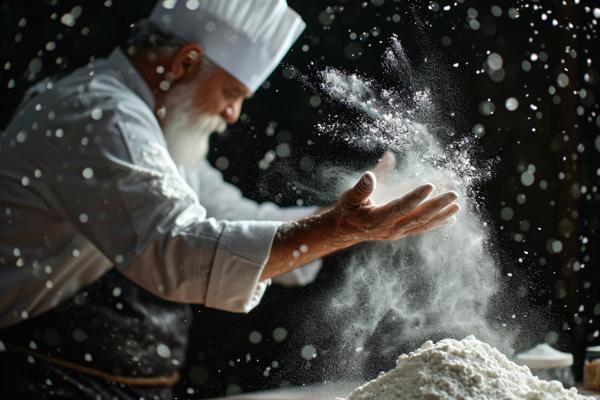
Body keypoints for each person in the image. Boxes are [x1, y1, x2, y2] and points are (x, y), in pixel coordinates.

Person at [0, 0, 460, 398]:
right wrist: (340, 229)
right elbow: (178, 249)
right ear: (185, 62)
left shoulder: (149, 128)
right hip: (32, 366)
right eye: (231, 94)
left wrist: (347, 219)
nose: (233, 114)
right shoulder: (102, 117)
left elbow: (229, 216)